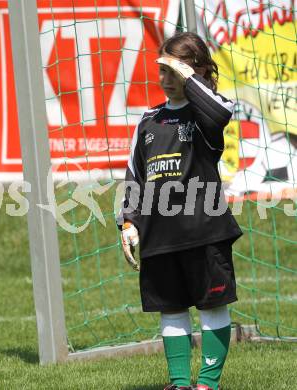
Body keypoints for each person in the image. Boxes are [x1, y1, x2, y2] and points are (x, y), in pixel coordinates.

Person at [117, 32, 243, 390]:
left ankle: (207, 383)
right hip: (160, 237)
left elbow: (219, 112)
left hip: (206, 233)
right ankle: (179, 383)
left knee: (211, 306)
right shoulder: (148, 121)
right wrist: (129, 222)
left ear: (197, 71)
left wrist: (190, 78)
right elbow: (135, 177)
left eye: (174, 71)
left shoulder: (208, 114)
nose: (165, 79)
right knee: (170, 309)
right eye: (162, 70)